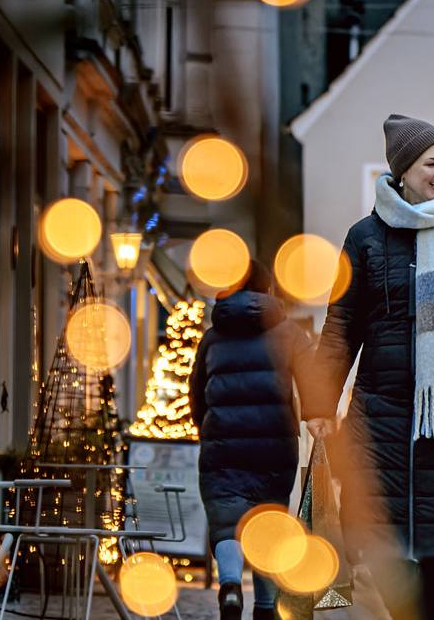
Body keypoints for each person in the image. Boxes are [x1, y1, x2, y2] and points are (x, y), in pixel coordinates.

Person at [301, 114, 434, 620]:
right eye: (430, 164)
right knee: (381, 548)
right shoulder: (367, 237)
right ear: (402, 171)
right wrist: (319, 403)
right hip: (383, 416)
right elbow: (341, 325)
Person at [190, 262, 312, 620]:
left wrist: (208, 428)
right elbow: (313, 375)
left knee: (226, 520)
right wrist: (315, 418)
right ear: (267, 289)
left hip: (223, 443)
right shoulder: (288, 332)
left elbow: (196, 392)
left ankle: (229, 587)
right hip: (274, 445)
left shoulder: (212, 337)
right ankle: (264, 607)